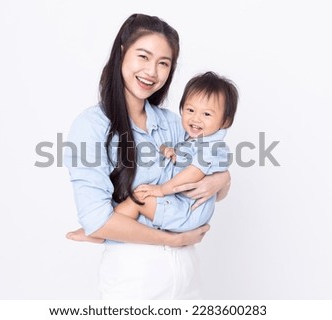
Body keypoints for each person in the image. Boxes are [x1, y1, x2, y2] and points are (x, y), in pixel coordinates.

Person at [64, 13, 231, 299]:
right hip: (135, 279)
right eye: (143, 56)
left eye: (163, 63)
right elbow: (99, 221)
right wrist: (173, 239)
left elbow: (208, 175)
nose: (152, 72)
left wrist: (222, 180)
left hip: (187, 274)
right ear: (121, 53)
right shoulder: (91, 126)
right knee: (139, 199)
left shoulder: (174, 123)